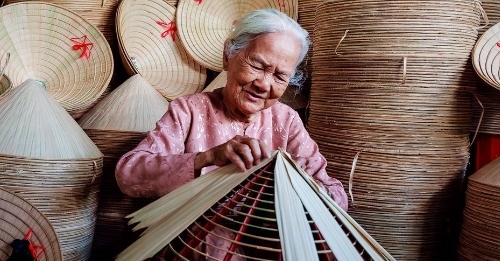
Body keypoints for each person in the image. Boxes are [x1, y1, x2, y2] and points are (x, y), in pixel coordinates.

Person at [115, 8, 348, 260]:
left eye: (280, 76)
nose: (264, 84)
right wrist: (207, 157)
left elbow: (335, 194)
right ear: (228, 55)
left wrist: (306, 186)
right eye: (257, 66)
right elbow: (128, 174)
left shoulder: (286, 121)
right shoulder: (189, 110)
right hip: (193, 249)